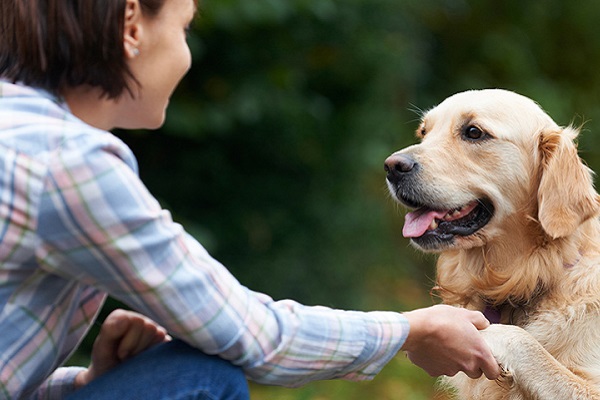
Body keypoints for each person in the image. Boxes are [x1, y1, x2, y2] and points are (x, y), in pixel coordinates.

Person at [0, 0, 501, 398]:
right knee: (201, 374)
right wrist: (410, 330)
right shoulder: (68, 162)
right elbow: (254, 336)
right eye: (184, 28)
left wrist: (86, 384)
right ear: (132, 24)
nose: (186, 54)